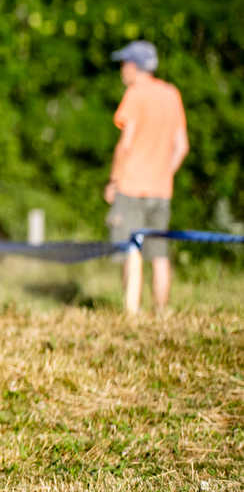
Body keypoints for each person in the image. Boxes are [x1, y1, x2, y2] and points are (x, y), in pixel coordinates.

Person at [104, 40, 189, 315]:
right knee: (160, 254)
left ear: (134, 66)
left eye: (124, 64)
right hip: (161, 189)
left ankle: (133, 312)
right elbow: (181, 147)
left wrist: (114, 181)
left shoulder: (135, 94)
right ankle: (161, 311)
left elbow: (125, 144)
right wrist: (164, 173)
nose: (122, 69)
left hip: (131, 187)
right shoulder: (171, 94)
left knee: (132, 250)